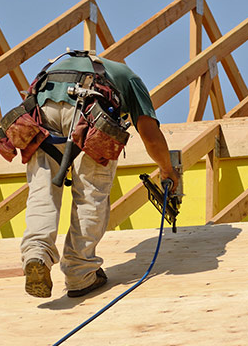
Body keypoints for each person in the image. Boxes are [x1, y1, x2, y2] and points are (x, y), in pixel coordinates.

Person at [21, 52, 179, 298]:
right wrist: (167, 169)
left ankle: (36, 254)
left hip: (42, 110)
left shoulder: (61, 62)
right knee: (90, 192)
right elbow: (150, 135)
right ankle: (80, 273)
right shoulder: (130, 78)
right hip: (92, 113)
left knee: (42, 190)